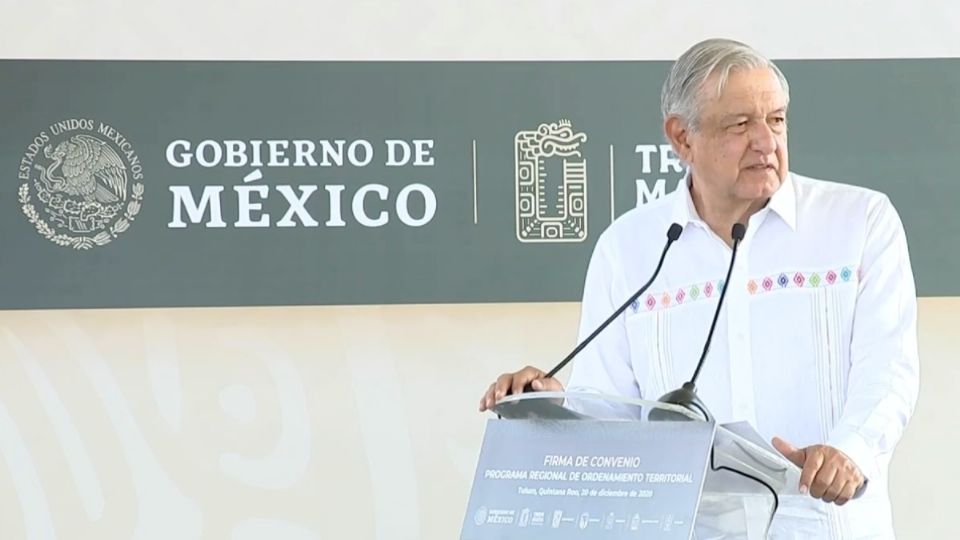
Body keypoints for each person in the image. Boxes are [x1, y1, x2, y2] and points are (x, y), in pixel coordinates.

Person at [479, 38, 919, 538]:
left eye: (776, 119)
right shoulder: (628, 249)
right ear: (682, 138)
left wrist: (851, 452)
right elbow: (609, 406)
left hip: (826, 524)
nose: (766, 141)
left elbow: (889, 372)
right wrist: (550, 406)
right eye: (740, 124)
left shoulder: (859, 222)